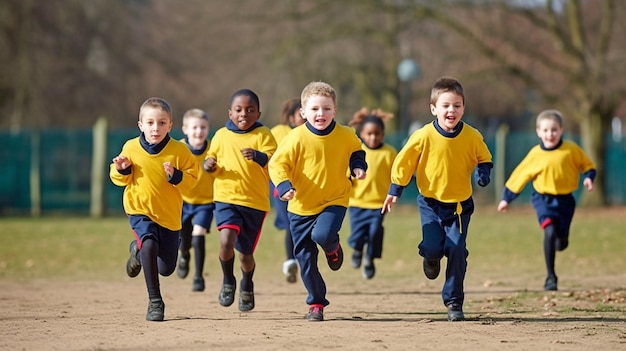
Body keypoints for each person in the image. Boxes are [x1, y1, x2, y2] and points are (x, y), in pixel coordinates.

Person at [381, 77, 493, 322]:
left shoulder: (472, 136)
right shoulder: (423, 135)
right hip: (430, 203)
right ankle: (430, 257)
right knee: (433, 246)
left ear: (463, 108)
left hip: (460, 206)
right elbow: (404, 161)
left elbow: (484, 157)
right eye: (445, 106)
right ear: (433, 109)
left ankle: (454, 301)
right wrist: (394, 189)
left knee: (456, 249)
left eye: (457, 105)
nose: (451, 110)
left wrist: (483, 173)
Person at [268, 81, 368, 321]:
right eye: (314, 109)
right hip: (300, 205)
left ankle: (332, 247)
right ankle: (316, 303)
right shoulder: (295, 138)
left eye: (326, 109)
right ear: (303, 113)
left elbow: (357, 150)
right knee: (305, 257)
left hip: (334, 199)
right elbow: (277, 164)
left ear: (335, 110)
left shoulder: (345, 134)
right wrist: (283, 186)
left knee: (322, 235)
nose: (320, 114)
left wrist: (357, 166)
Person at [110, 97, 199, 321]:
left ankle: (137, 251)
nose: (155, 128)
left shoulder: (179, 150)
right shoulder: (131, 147)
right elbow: (117, 176)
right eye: (150, 123)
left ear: (170, 125)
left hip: (169, 216)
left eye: (161, 123)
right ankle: (155, 301)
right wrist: (121, 170)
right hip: (139, 209)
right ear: (141, 125)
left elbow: (194, 179)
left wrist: (176, 176)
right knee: (149, 242)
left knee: (166, 267)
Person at [497, 109, 596, 291]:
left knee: (560, 242)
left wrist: (589, 177)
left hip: (566, 201)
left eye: (554, 130)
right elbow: (520, 175)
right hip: (543, 199)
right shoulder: (535, 154)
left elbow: (587, 165)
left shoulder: (571, 150)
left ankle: (563, 238)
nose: (550, 134)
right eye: (546, 130)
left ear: (561, 130)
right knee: (549, 232)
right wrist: (506, 198)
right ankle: (551, 277)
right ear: (538, 132)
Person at [203, 89, 277, 312]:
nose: (244, 114)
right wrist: (209, 165)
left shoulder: (263, 135)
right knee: (226, 241)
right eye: (238, 110)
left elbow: (275, 164)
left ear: (258, 113)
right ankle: (228, 280)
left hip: (254, 203)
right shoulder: (221, 135)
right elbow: (211, 157)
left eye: (250, 110)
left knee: (245, 254)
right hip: (226, 198)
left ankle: (247, 283)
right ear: (230, 112)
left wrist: (259, 156)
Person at [346, 107, 397, 280]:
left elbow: (397, 175)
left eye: (377, 134)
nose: (373, 137)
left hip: (378, 204)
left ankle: (369, 258)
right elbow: (346, 174)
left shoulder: (389, 153)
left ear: (382, 134)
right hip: (356, 203)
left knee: (375, 232)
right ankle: (357, 250)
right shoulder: (356, 152)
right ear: (362, 133)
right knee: (357, 234)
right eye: (369, 134)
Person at [176, 108, 215, 292]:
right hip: (182, 202)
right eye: (194, 127)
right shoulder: (179, 149)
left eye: (203, 127)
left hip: (205, 203)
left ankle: (198, 277)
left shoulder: (213, 150)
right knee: (184, 239)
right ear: (185, 129)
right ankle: (183, 255)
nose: (199, 131)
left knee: (198, 234)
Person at [270, 98, 305, 283]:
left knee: (302, 226)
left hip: (307, 188)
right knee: (291, 225)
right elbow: (270, 157)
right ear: (291, 117)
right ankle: (290, 261)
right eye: (301, 114)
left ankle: (301, 259)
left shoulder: (313, 134)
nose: (305, 117)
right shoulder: (278, 132)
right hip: (283, 187)